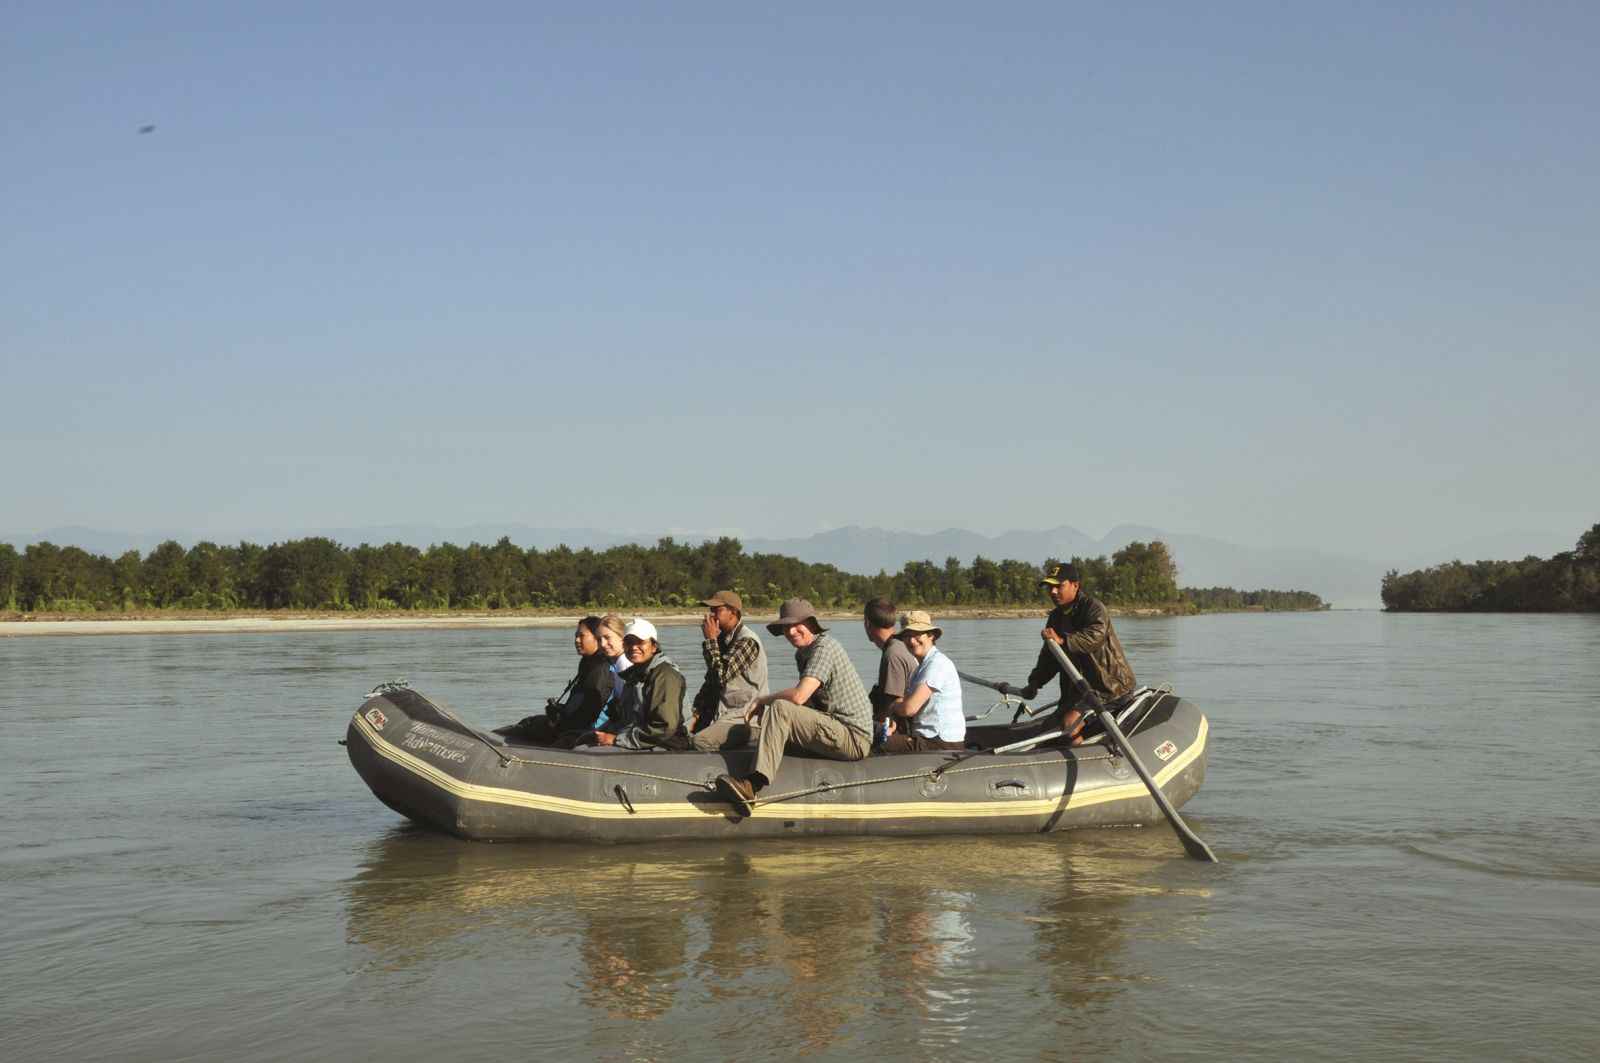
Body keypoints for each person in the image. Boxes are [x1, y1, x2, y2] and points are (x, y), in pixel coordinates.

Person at [713, 599, 873, 815]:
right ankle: (754, 770)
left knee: (780, 706)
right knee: (780, 717)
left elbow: (799, 696)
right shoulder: (803, 654)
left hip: (853, 736)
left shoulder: (825, 647)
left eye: (797, 624)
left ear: (812, 624)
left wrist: (762, 700)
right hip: (833, 728)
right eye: (786, 627)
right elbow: (808, 704)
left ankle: (752, 786)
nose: (791, 631)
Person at [1012, 562, 1136, 744]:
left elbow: (1095, 636)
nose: (1053, 592)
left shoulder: (1093, 608)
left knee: (1070, 723)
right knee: (1049, 725)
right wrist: (1035, 682)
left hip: (1108, 688)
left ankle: (1085, 764)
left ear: (1075, 586)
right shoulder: (1056, 616)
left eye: (1058, 586)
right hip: (1079, 691)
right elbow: (1049, 656)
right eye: (1050, 587)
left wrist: (1064, 641)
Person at [493, 616, 615, 744]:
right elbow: (580, 703)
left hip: (583, 729)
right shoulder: (588, 662)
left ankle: (490, 743)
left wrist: (561, 722)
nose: (577, 640)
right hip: (570, 723)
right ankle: (488, 740)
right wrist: (560, 711)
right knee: (528, 723)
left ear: (596, 637)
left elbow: (590, 711)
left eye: (582, 636)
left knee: (528, 726)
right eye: (575, 636)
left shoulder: (601, 668)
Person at [591, 619, 691, 750]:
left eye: (640, 642)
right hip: (638, 739)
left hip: (667, 745)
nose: (633, 647)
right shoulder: (635, 675)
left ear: (654, 646)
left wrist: (617, 740)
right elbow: (627, 720)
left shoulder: (665, 676)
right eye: (629, 642)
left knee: (596, 753)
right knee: (583, 745)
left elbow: (663, 727)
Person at [689, 590, 769, 750]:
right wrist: (695, 713)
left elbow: (721, 675)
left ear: (733, 612)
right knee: (681, 735)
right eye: (711, 610)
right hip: (724, 716)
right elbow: (710, 683)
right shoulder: (723, 640)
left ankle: (721, 773)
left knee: (700, 741)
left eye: (716, 610)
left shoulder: (747, 641)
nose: (710, 615)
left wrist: (710, 640)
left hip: (744, 720)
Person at [880, 610, 966, 753]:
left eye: (917, 634)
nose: (912, 640)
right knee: (878, 735)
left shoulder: (937, 664)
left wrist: (892, 707)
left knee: (873, 743)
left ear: (931, 635)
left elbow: (909, 708)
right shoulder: (920, 669)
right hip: (927, 740)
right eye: (907, 636)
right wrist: (891, 724)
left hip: (940, 744)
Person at [862, 596, 917, 753]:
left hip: (904, 729)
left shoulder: (892, 654)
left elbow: (894, 705)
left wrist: (869, 724)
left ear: (867, 623)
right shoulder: (900, 646)